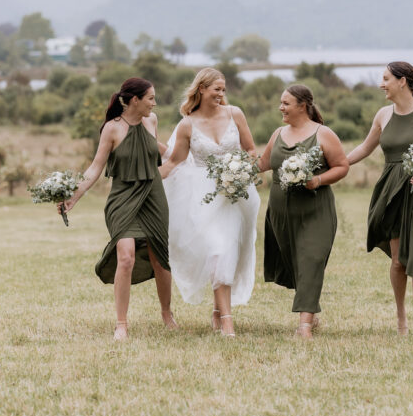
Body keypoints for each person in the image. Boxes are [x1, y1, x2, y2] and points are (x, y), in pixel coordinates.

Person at [60, 78, 175, 340]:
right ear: (135, 100)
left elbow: (156, 155)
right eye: (150, 98)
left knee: (160, 258)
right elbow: (95, 168)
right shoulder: (111, 129)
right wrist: (74, 197)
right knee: (126, 256)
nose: (154, 103)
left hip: (153, 197)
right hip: (123, 199)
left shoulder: (151, 121)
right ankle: (121, 323)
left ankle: (167, 313)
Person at [346, 62, 413, 343]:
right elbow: (365, 148)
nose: (382, 84)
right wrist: (337, 163)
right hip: (391, 189)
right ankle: (400, 317)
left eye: (386, 79)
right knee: (397, 261)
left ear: (402, 81)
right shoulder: (383, 115)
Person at [160, 68, 259, 337]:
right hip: (202, 196)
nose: (221, 94)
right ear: (201, 89)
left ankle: (218, 309)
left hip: (236, 195)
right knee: (217, 251)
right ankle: (227, 319)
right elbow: (174, 161)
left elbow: (251, 150)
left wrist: (241, 170)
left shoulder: (235, 114)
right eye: (216, 89)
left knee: (229, 251)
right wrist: (145, 182)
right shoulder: (187, 125)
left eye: (223, 90)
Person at [257, 84, 349, 339]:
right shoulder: (278, 133)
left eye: (286, 103)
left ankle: (304, 327)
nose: (281, 107)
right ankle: (311, 313)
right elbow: (263, 163)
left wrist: (317, 181)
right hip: (280, 212)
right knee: (296, 264)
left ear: (302, 105)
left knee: (311, 259)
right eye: (281, 102)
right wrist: (232, 169)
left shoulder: (323, 134)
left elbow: (341, 166)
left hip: (315, 210)